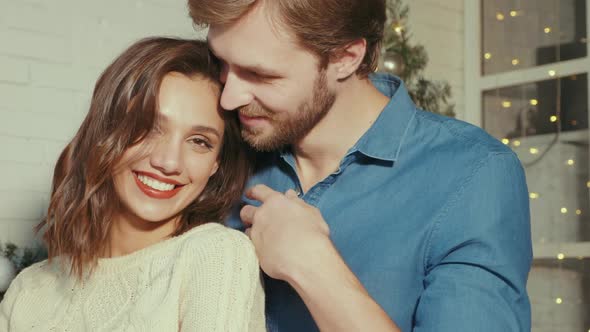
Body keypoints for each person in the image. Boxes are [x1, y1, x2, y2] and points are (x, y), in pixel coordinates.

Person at [187, 1, 533, 331]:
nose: (228, 98)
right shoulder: (217, 147)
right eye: (222, 63)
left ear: (346, 57)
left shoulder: (472, 174)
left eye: (259, 75)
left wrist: (314, 267)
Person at [0, 37, 266, 331]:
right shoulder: (29, 290)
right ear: (107, 131)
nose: (169, 162)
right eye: (150, 128)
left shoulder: (216, 254)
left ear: (216, 162)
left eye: (199, 142)